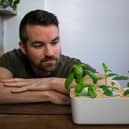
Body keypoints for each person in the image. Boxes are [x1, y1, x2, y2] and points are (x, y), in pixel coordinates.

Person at [0, 9, 119, 104]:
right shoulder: (12, 59)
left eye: (54, 42)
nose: (50, 53)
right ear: (23, 48)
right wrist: (47, 95)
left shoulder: (70, 65)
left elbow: (110, 83)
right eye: (38, 45)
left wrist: (50, 83)